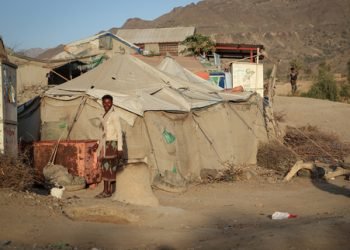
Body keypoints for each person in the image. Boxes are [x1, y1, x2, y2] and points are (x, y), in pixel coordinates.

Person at [92, 94, 125, 198]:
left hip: (112, 145)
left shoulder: (114, 115)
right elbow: (103, 133)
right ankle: (107, 190)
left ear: (112, 103)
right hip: (105, 145)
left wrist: (120, 148)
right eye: (105, 102)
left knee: (109, 168)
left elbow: (119, 132)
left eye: (109, 102)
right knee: (106, 167)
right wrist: (97, 144)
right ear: (102, 103)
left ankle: (107, 191)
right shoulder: (103, 115)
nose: (107, 104)